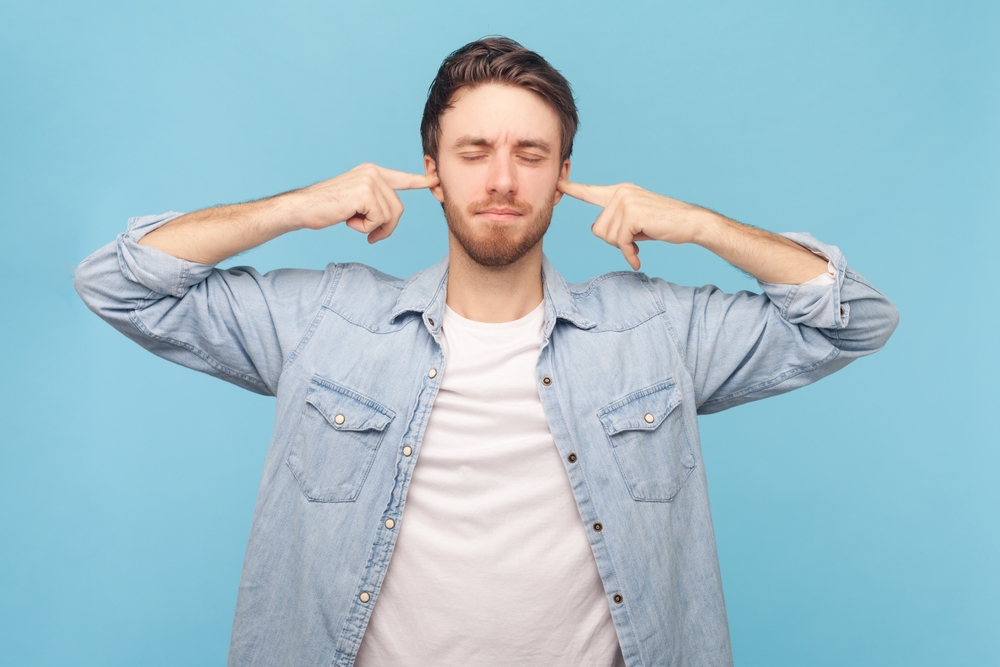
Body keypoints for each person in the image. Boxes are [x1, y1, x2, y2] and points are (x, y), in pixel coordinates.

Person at [74, 36, 898, 667]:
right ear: (431, 169)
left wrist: (706, 227)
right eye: (474, 153)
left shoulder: (655, 330)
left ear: (564, 173)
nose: (502, 179)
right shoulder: (325, 319)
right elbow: (118, 282)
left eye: (530, 154)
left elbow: (854, 320)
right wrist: (300, 205)